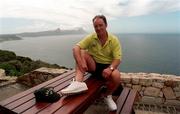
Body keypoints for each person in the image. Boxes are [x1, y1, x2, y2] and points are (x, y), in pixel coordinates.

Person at [61, 15, 122, 111]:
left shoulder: (113, 40)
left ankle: (107, 95)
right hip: (93, 66)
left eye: (100, 25)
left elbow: (117, 59)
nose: (98, 28)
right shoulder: (91, 37)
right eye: (96, 26)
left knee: (117, 75)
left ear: (106, 25)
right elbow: (75, 48)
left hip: (107, 68)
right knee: (81, 52)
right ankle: (78, 83)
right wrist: (81, 62)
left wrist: (110, 69)